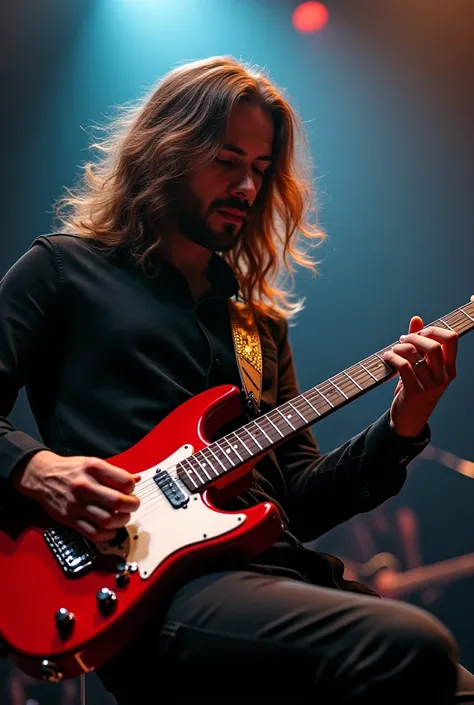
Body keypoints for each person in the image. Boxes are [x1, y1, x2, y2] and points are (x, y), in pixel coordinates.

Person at [1, 56, 473, 705]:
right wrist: (38, 470)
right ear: (166, 150)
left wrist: (404, 422)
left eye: (259, 169)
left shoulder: (255, 324)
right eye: (228, 160)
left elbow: (299, 499)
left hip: (273, 577)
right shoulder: (61, 271)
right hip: (143, 590)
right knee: (408, 646)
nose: (248, 187)